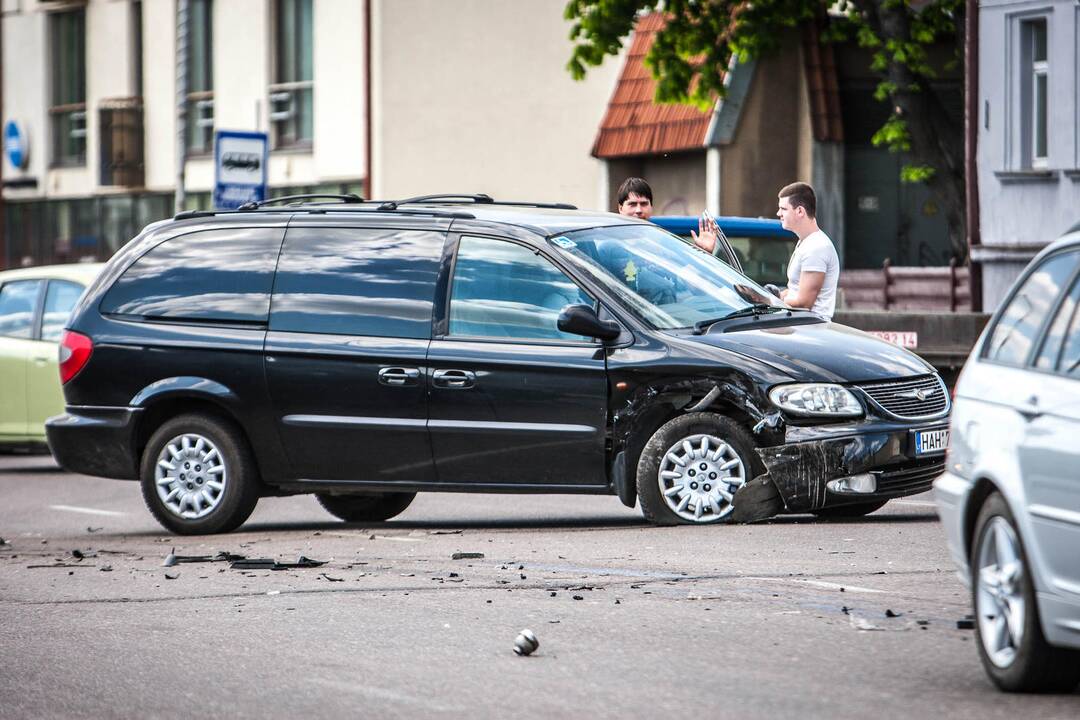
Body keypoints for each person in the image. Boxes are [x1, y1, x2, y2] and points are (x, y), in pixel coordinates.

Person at [775, 182, 839, 321]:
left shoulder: (817, 247)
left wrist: (768, 301)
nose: (778, 213)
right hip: (800, 326)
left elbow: (804, 303)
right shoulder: (806, 242)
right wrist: (774, 295)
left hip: (811, 329)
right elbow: (794, 291)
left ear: (800, 211)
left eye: (783, 209)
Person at [616, 177, 721, 255]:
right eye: (632, 204)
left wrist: (704, 252)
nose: (638, 210)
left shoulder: (664, 244)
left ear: (651, 207)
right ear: (620, 208)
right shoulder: (609, 244)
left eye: (644, 204)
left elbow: (685, 277)